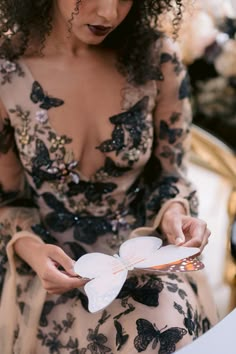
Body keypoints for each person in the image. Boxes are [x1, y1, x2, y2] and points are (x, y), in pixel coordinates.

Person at [0, 1, 218, 353]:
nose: (109, 14)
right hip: (50, 267)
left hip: (141, 249)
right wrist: (33, 250)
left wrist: (175, 213)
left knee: (169, 328)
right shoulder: (6, 70)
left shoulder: (157, 59)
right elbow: (6, 200)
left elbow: (171, 174)